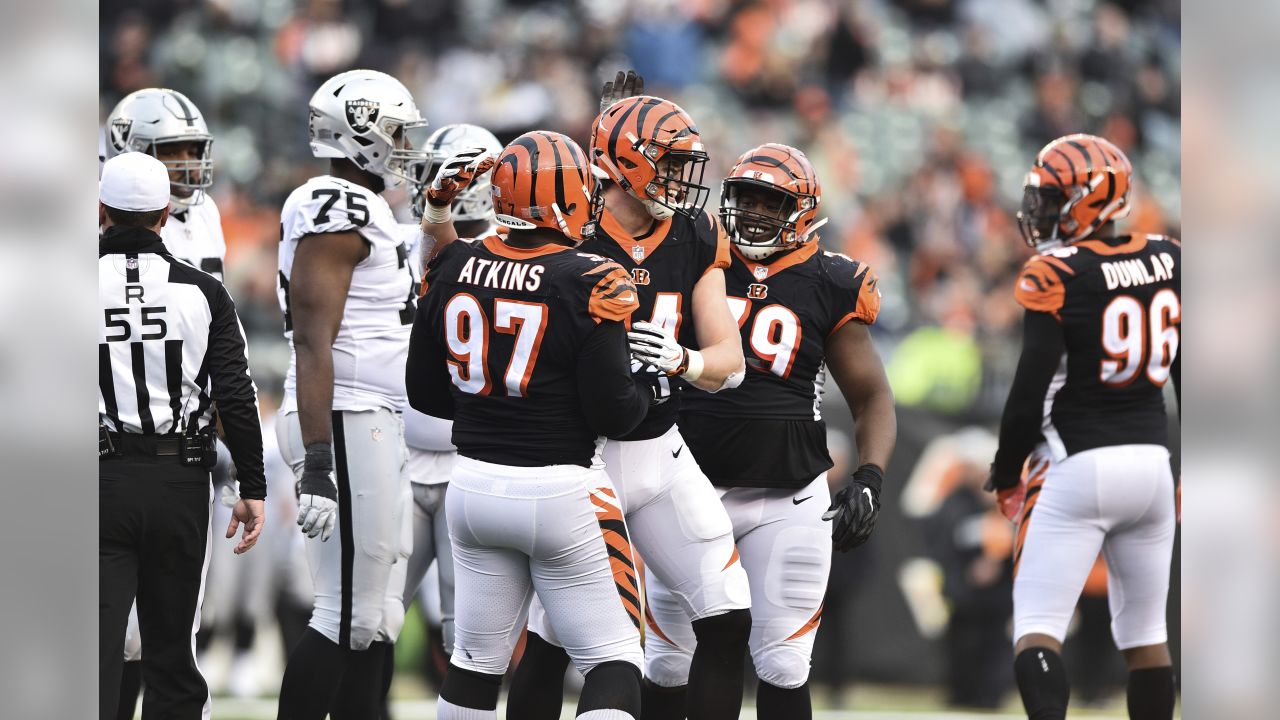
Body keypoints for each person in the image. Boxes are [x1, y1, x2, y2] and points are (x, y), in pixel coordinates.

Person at [422, 75, 753, 720]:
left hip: (657, 449)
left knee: (726, 614)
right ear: (624, 167)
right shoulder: (562, 224)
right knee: (554, 644)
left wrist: (683, 360)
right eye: (672, 163)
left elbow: (729, 362)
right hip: (581, 458)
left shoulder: (695, 235)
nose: (684, 178)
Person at [408, 130, 655, 720]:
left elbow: (427, 396)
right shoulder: (593, 277)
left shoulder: (457, 263)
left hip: (471, 488)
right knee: (617, 660)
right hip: (561, 489)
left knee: (475, 664)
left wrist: (435, 213)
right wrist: (654, 385)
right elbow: (615, 412)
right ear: (565, 200)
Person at [647, 143, 897, 720]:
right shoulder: (696, 253)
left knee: (783, 664)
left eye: (771, 200)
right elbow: (624, 222)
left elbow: (872, 395)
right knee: (665, 661)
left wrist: (870, 476)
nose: (755, 212)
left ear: (804, 209)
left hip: (786, 496)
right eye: (746, 198)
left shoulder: (831, 279)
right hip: (685, 489)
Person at [987, 133, 1180, 720]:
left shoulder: (1057, 272)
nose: (1040, 212)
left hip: (1077, 465)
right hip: (1152, 467)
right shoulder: (1170, 257)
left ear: (1093, 198)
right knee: (1147, 638)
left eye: (1054, 199)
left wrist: (1004, 471)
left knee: (1038, 632)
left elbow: (1027, 393)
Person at [273, 68, 431, 720]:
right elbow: (315, 340)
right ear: (359, 133)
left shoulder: (372, 210)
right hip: (342, 416)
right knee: (344, 615)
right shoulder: (335, 204)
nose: (403, 145)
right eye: (393, 131)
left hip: (371, 418)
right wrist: (317, 459)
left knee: (375, 620)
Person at [99, 151, 266, 720]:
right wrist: (252, 484)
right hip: (179, 480)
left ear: (102, 212)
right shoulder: (202, 291)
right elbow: (237, 400)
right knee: (171, 657)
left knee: (91, 656)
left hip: (97, 480)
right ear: (166, 214)